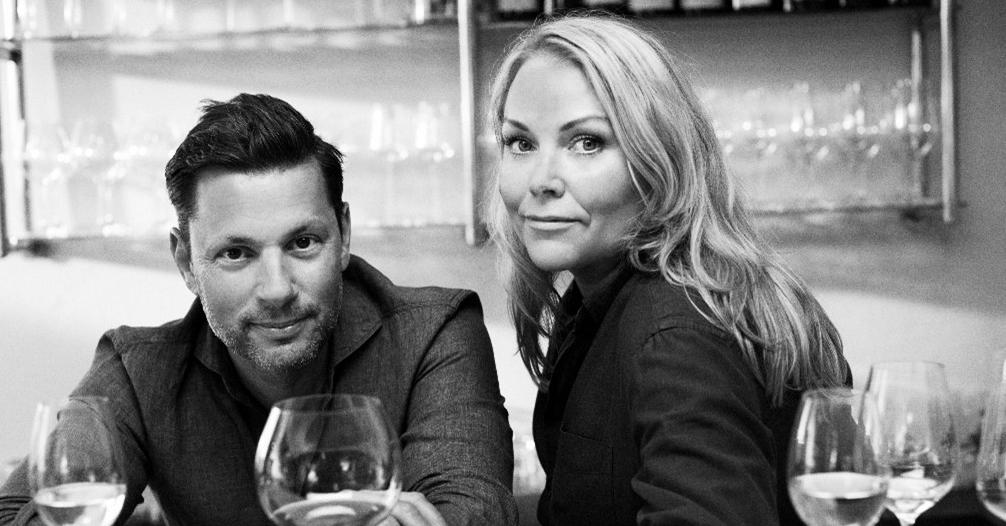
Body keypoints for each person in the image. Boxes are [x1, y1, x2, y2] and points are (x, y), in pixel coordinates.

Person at [0, 93, 517, 526]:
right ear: (186, 262)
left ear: (343, 236)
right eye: (236, 253)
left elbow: (471, 509)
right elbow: (17, 512)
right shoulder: (139, 372)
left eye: (303, 243)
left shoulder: (434, 333)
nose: (276, 289)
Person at [487, 14, 850, 526]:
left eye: (587, 142)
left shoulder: (675, 331)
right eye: (520, 143)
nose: (541, 180)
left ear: (660, 160)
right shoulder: (611, 299)